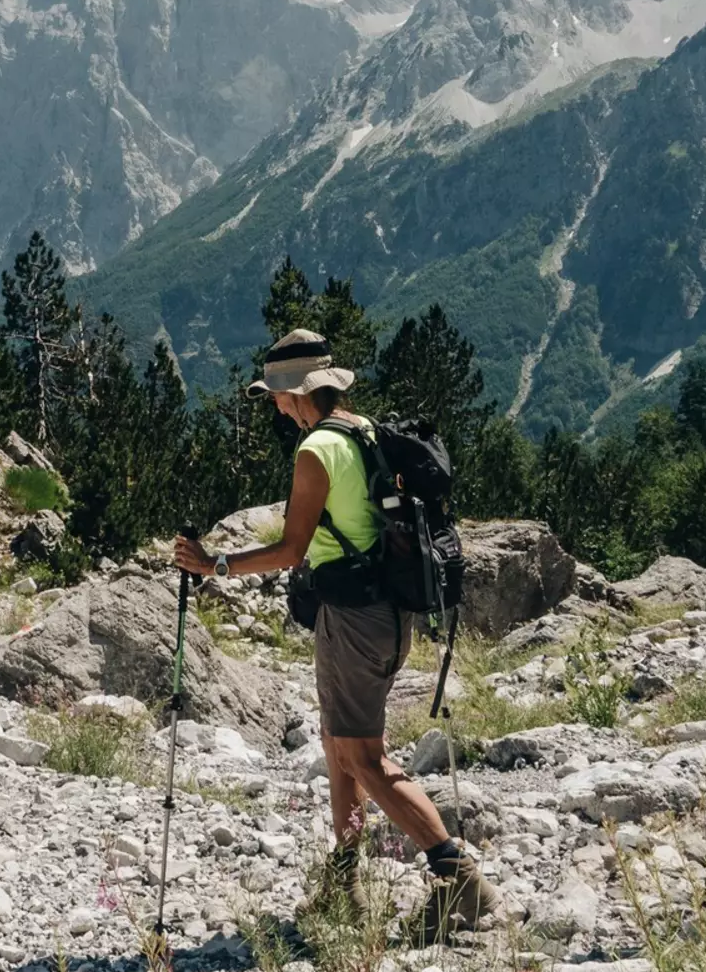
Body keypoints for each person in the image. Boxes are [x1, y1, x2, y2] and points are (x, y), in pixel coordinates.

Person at [174, 328, 499, 935]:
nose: (273, 403)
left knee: (363, 757)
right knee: (336, 744)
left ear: (299, 393)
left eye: (276, 393)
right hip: (386, 611)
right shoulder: (363, 429)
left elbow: (293, 550)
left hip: (353, 620)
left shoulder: (315, 451)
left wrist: (214, 564)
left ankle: (459, 877)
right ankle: (344, 879)